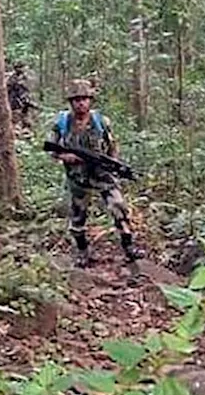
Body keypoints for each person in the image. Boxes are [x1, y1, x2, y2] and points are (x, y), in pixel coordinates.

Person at [47, 79, 144, 267]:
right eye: (76, 99)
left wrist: (112, 165)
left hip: (102, 174)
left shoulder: (101, 121)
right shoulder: (62, 123)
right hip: (77, 177)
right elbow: (52, 149)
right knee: (78, 217)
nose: (80, 103)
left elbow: (112, 146)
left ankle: (128, 246)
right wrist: (65, 156)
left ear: (90, 100)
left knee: (119, 207)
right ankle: (82, 251)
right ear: (71, 102)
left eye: (84, 99)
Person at [7, 61, 35, 128]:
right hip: (15, 104)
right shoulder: (12, 79)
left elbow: (27, 92)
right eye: (21, 68)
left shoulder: (25, 77)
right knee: (15, 122)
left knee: (27, 122)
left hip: (24, 105)